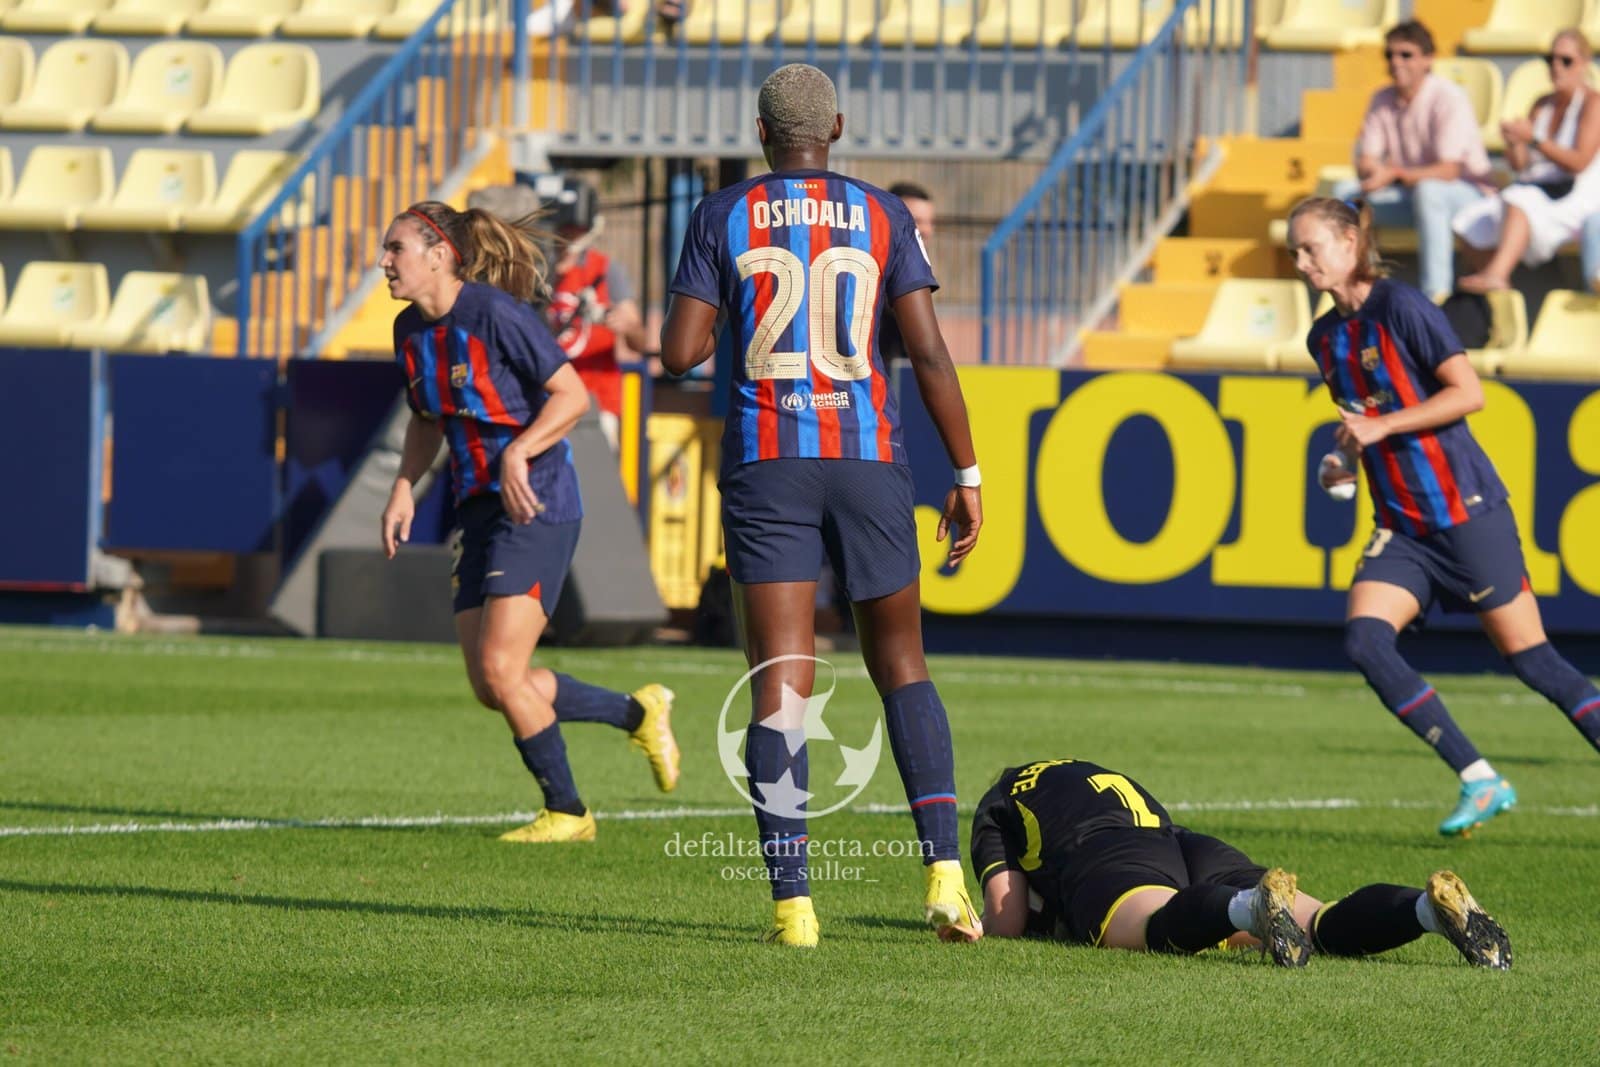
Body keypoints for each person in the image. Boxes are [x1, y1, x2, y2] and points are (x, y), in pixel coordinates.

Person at [660, 63, 984, 947]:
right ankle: (947, 880)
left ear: (760, 134)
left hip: (770, 460)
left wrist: (729, 303)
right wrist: (967, 473)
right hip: (871, 456)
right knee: (904, 665)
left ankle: (794, 909)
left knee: (782, 681)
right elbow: (929, 353)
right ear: (835, 129)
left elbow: (681, 353)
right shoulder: (884, 214)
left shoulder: (721, 213)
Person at [1286, 194, 1600, 837]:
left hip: (1465, 513)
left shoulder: (1401, 307)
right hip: (1402, 527)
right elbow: (1362, 422)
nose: (1299, 261)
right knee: (1365, 641)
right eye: (1295, 249)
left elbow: (1468, 392)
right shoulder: (1325, 337)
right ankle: (1480, 777)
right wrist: (1342, 460)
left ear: (1349, 243)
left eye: (1308, 247)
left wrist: (1381, 427)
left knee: (1533, 660)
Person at [377, 199, 680, 844]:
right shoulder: (409, 332)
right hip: (478, 506)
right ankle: (636, 711)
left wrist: (519, 448)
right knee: (494, 685)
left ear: (439, 255)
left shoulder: (496, 314)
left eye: (395, 249)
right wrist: (405, 483)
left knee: (502, 671)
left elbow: (572, 395)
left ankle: (568, 812)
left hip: (535, 502)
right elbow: (427, 418)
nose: (384, 262)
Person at [951, 757, 1511, 971]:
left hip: (1110, 858)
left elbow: (1007, 918)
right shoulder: (1082, 771)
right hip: (1186, 842)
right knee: (1318, 924)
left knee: (1155, 926)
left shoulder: (999, 800)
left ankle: (1247, 908)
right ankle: (1426, 911)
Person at [1330, 19, 1494, 302]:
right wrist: (1374, 172)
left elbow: (1449, 170)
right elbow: (1366, 159)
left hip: (1470, 199)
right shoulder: (1382, 98)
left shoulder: (1448, 97)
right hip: (1414, 195)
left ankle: (1435, 295)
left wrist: (1391, 173)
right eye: (1390, 55)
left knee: (1430, 192)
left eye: (1406, 54)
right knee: (1344, 196)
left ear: (1428, 60)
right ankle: (1354, 290)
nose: (1396, 62)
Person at [1455, 29, 1600, 294]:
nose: (1556, 67)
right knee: (1469, 222)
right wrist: (1514, 143)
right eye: (1550, 59)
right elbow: (1520, 165)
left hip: (1578, 197)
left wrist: (1533, 139)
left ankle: (1497, 275)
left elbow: (1579, 162)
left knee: (1520, 201)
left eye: (1565, 60)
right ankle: (1501, 291)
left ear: (1584, 64)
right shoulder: (1542, 103)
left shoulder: (1594, 104)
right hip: (1541, 191)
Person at [540, 176, 651, 450]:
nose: (567, 238)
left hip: (597, 398)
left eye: (574, 231)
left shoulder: (605, 270)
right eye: (562, 230)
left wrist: (625, 326)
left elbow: (641, 341)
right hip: (549, 398)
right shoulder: (541, 272)